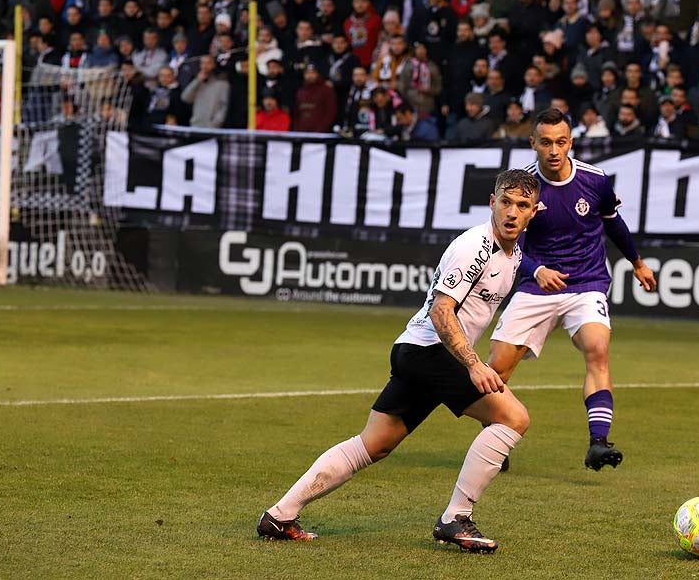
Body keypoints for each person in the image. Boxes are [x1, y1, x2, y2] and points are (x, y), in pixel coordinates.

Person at [257, 170, 541, 553]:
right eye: (505, 202)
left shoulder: (514, 253)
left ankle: (280, 514)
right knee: (513, 417)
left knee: (373, 444)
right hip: (431, 350)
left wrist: (541, 270)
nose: (511, 211)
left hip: (416, 350)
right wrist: (474, 364)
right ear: (492, 203)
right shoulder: (475, 246)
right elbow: (443, 311)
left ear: (533, 212)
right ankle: (455, 518)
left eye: (522, 205)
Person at [488, 108, 657, 473]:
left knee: (597, 348)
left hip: (586, 282)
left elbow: (614, 225)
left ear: (571, 143)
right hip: (537, 285)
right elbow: (507, 243)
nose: (553, 150)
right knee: (495, 372)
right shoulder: (524, 188)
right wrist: (537, 269)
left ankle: (598, 442)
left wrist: (637, 262)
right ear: (532, 143)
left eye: (561, 142)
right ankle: (496, 442)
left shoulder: (595, 181)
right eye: (545, 142)